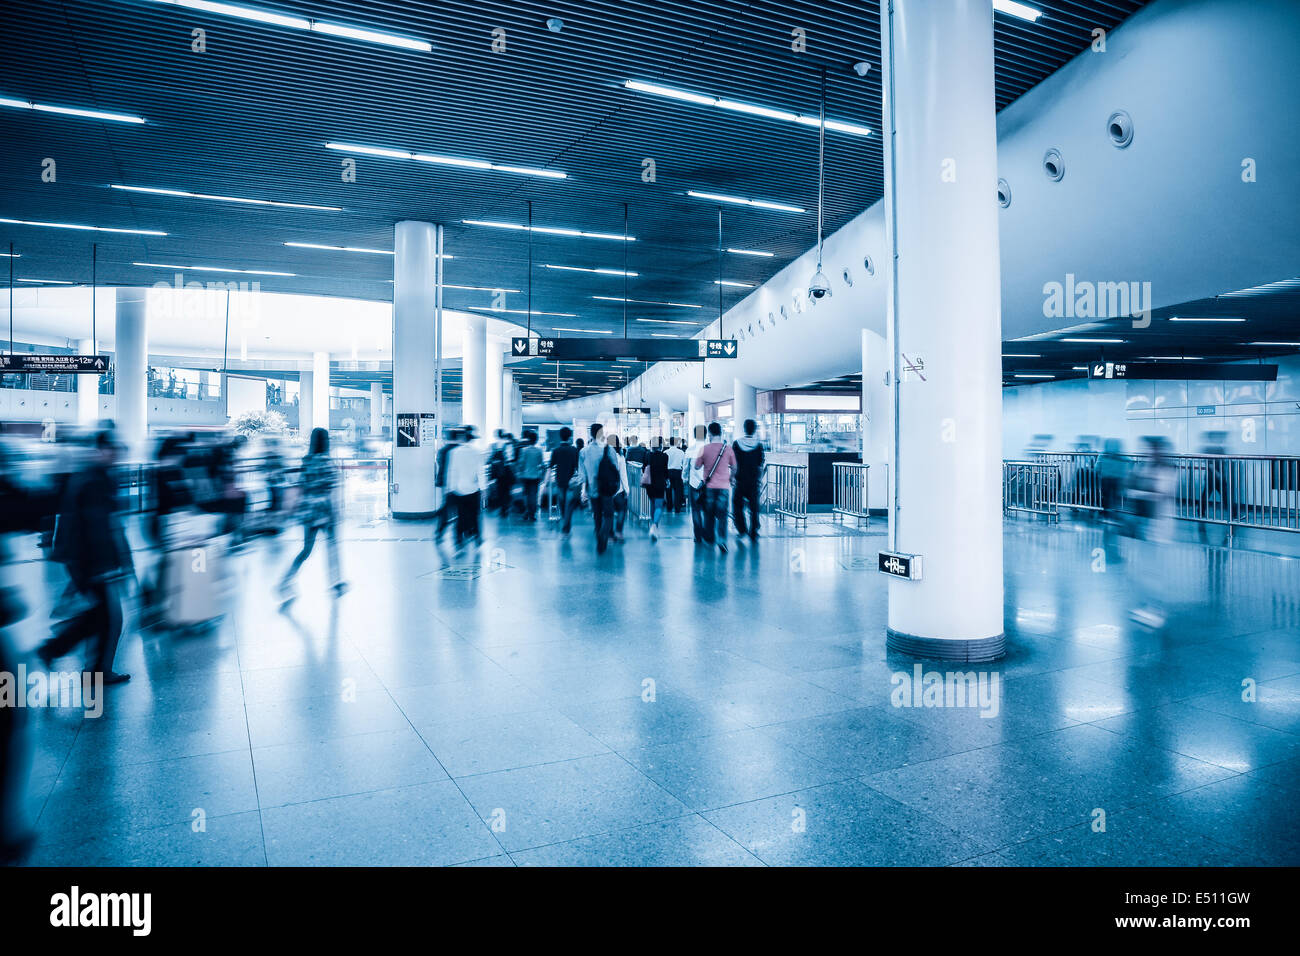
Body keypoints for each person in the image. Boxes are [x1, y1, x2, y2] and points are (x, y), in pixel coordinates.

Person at [37, 430, 133, 685]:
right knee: (110, 617)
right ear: (101, 450)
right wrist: (107, 566)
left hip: (82, 558)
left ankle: (61, 653)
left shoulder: (92, 475)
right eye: (112, 451)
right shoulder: (94, 480)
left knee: (101, 615)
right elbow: (96, 526)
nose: (116, 456)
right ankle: (91, 669)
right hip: (88, 559)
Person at [278, 427, 347, 605]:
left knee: (306, 550)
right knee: (332, 547)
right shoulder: (328, 462)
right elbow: (332, 488)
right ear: (326, 442)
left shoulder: (306, 461)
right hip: (324, 510)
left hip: (308, 511)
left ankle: (285, 582)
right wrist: (337, 510)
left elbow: (301, 486)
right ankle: (336, 583)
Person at [695, 421, 737, 552]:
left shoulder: (704, 449)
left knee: (709, 513)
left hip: (709, 487)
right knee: (723, 514)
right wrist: (731, 477)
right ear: (721, 432)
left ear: (710, 434)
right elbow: (734, 467)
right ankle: (722, 540)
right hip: (724, 486)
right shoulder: (728, 448)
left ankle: (710, 538)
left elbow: (696, 466)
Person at [579, 423, 618, 554]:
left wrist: (583, 490)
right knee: (608, 514)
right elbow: (615, 469)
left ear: (590, 434)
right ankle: (603, 535)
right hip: (607, 488)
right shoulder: (610, 450)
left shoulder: (584, 451)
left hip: (592, 488)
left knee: (597, 515)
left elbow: (582, 474)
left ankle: (598, 538)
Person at [445, 425, 485, 548]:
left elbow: (452, 471)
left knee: (460, 515)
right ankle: (478, 537)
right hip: (474, 489)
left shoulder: (454, 453)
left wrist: (450, 488)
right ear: (471, 439)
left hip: (459, 489)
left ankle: (458, 539)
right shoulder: (477, 452)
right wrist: (483, 488)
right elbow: (481, 471)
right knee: (475, 514)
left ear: (462, 439)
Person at [731, 419, 765, 542]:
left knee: (737, 505)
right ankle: (753, 531)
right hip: (753, 481)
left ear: (744, 429)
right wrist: (759, 480)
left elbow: (733, 464)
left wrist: (732, 477)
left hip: (740, 480)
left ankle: (741, 529)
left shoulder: (736, 443)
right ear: (755, 429)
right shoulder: (759, 445)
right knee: (754, 507)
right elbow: (760, 466)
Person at [434, 426, 464, 544]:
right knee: (460, 510)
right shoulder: (459, 449)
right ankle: (459, 536)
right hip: (459, 483)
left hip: (446, 484)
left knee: (447, 507)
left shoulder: (443, 450)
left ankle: (440, 532)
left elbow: (440, 464)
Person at [550, 427, 581, 534]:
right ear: (570, 437)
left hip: (559, 481)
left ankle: (565, 523)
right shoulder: (574, 450)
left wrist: (546, 480)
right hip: (571, 482)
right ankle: (566, 525)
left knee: (562, 503)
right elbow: (578, 467)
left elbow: (550, 466)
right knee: (569, 504)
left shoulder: (556, 451)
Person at [684, 424, 708, 543]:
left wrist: (684, 478)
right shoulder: (709, 448)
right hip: (708, 483)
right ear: (706, 434)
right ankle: (707, 533)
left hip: (694, 483)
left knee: (696, 510)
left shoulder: (690, 450)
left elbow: (686, 467)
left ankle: (697, 535)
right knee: (707, 509)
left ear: (694, 435)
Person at [516, 431, 545, 522]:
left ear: (529, 440)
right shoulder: (539, 451)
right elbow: (541, 464)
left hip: (525, 476)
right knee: (534, 495)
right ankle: (531, 514)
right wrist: (542, 475)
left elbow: (521, 464)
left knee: (527, 495)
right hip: (536, 476)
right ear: (536, 440)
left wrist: (519, 472)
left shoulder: (524, 450)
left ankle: (527, 513)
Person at [645, 437, 670, 540]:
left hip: (649, 484)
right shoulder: (665, 456)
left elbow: (644, 468)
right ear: (660, 446)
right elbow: (665, 470)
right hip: (660, 483)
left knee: (652, 504)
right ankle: (654, 525)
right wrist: (667, 480)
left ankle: (653, 526)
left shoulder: (647, 456)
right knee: (659, 506)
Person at [607, 433, 630, 542]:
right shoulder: (620, 457)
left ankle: (610, 534)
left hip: (607, 490)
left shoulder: (604, 456)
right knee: (621, 510)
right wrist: (627, 489)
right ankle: (619, 532)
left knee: (609, 513)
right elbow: (623, 475)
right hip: (618, 489)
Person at [665, 437, 685, 513]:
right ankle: (677, 508)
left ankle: (669, 506)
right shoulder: (681, 452)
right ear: (676, 443)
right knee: (678, 491)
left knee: (668, 490)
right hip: (678, 472)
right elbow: (683, 463)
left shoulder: (666, 452)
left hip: (668, 472)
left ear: (669, 443)